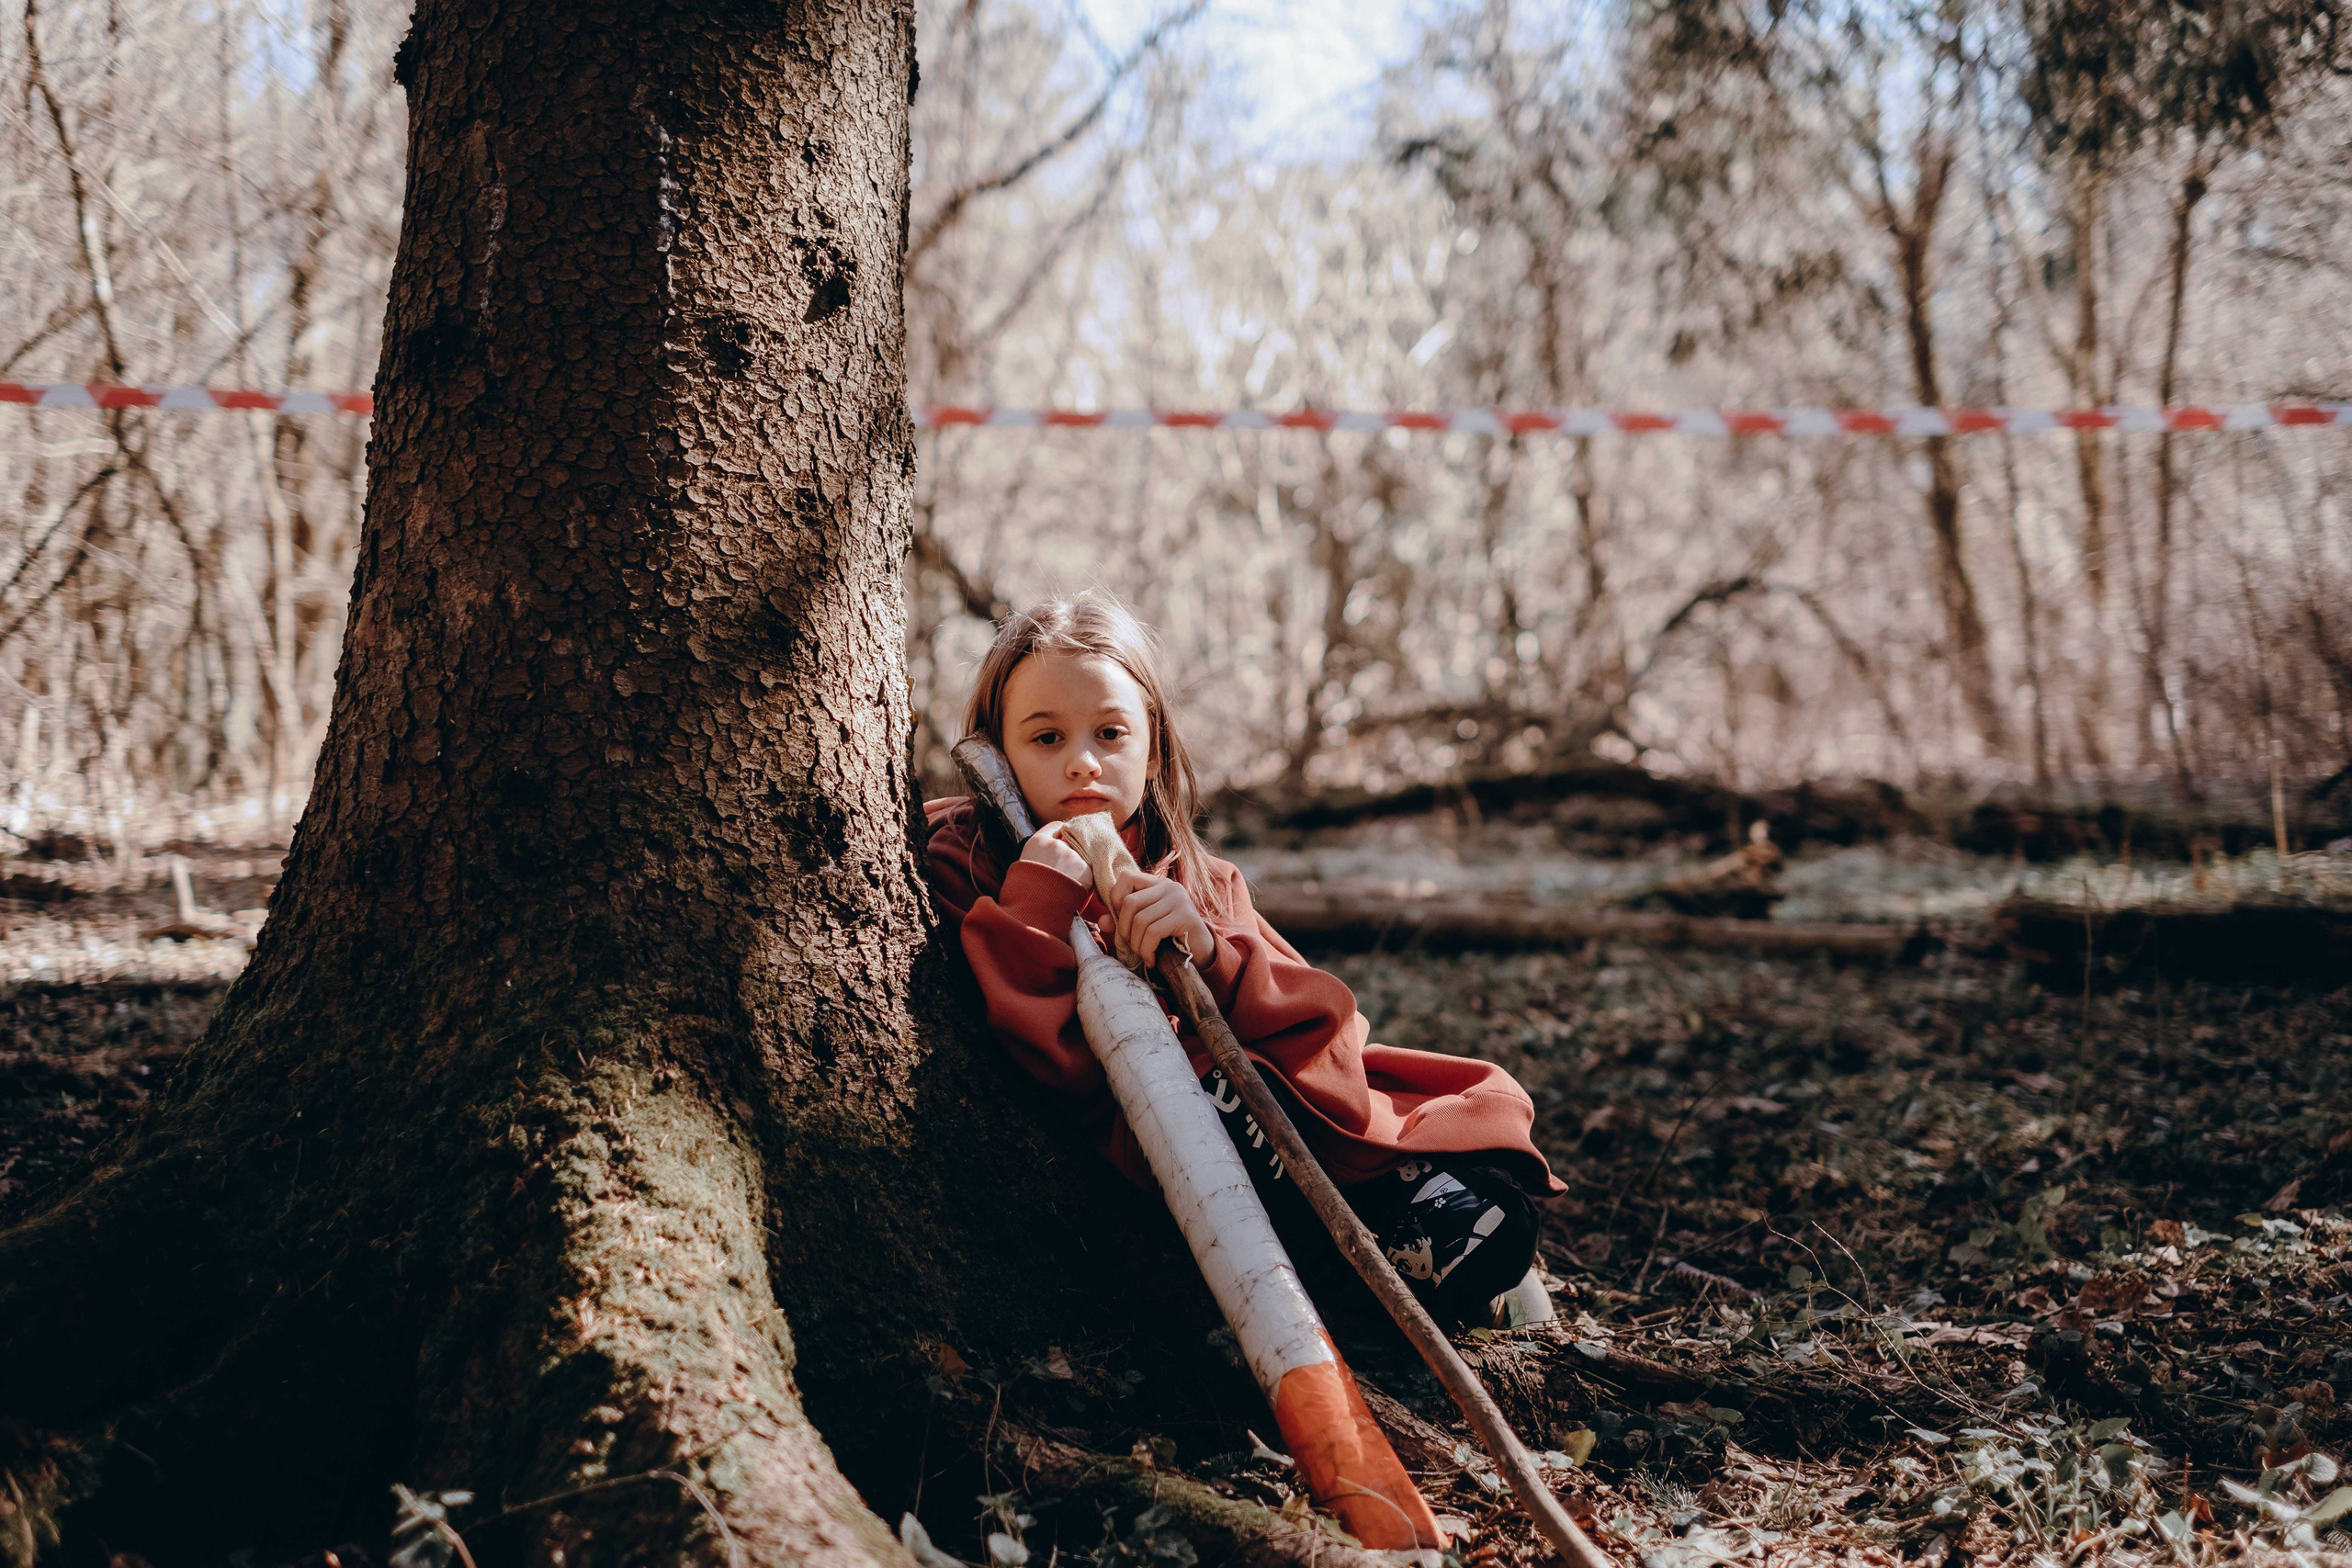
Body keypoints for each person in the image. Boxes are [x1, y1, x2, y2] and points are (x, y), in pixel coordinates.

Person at [924, 591, 1563, 1327]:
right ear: (997, 752)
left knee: (1495, 1221)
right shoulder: (965, 865)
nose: (1082, 764)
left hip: (1304, 1143)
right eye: (1045, 739)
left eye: (1110, 732)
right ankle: (1358, 1274)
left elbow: (1318, 1032)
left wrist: (1210, 954)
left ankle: (1420, 1230)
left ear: (1152, 748)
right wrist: (1038, 897)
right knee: (1212, 1107)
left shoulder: (1197, 879)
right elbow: (1037, 1051)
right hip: (1174, 1170)